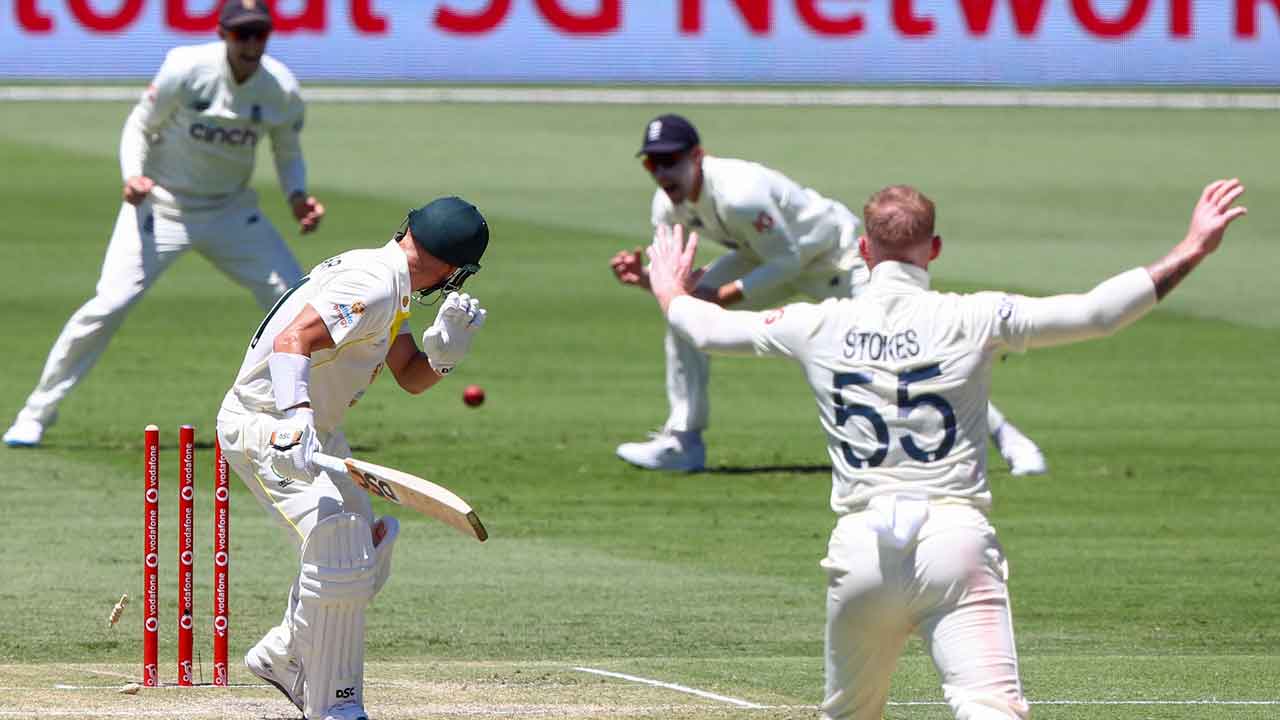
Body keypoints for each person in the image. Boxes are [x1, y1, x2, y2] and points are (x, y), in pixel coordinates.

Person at [643, 179, 1246, 720]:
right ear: (932, 250)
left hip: (862, 551)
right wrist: (1192, 248)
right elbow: (1098, 313)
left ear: (862, 251)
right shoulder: (975, 316)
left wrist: (670, 289)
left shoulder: (815, 323)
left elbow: (706, 330)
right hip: (956, 543)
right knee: (988, 708)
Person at [610, 113, 1045, 475]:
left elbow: (788, 262)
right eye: (653, 164)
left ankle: (1009, 439)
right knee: (685, 316)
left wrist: (721, 294)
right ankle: (684, 440)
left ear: (697, 157)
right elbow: (680, 284)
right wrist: (650, 279)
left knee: (904, 349)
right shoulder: (666, 205)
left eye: (671, 161)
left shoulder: (741, 194)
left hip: (834, 259)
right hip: (762, 256)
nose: (663, 173)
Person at [3, 0, 325, 447]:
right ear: (222, 34)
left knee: (297, 303)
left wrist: (296, 197)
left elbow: (288, 152)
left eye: (259, 34)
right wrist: (132, 175)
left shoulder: (281, 88)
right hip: (162, 205)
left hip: (231, 211)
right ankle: (35, 414)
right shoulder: (185, 67)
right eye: (241, 34)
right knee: (109, 304)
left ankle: (315, 416)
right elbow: (139, 124)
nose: (250, 44)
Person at [215, 196, 489, 720]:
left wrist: (445, 357)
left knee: (367, 551)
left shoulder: (390, 279)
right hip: (271, 425)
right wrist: (294, 421)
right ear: (454, 270)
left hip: (314, 430)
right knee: (340, 547)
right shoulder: (377, 282)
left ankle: (282, 655)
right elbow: (294, 341)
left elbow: (409, 374)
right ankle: (335, 706)